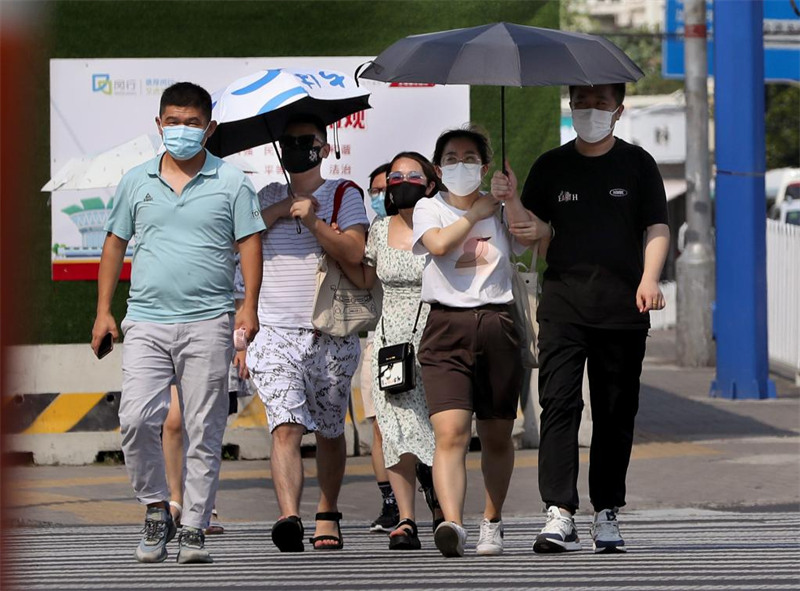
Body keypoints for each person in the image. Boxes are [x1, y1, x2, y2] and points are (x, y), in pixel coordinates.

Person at [91, 82, 265, 564]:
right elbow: (114, 244)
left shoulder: (231, 181)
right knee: (134, 419)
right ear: (158, 124)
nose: (181, 131)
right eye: (173, 121)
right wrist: (105, 311)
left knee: (204, 428)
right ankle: (154, 507)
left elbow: (250, 242)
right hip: (145, 321)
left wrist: (248, 306)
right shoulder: (136, 181)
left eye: (192, 123)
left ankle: (193, 525)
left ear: (209, 129)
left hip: (210, 322)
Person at [498, 82, 669, 554]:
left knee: (615, 413)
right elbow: (526, 231)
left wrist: (649, 279)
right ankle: (559, 511)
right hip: (563, 306)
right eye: (581, 103)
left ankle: (607, 511)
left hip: (624, 309)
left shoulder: (638, 164)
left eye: (600, 103)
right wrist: (510, 199)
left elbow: (656, 225)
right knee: (559, 406)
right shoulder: (552, 166)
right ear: (570, 106)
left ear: (618, 109)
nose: (589, 111)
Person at [246, 113, 369, 552]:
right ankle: (289, 516)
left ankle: (327, 510)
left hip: (329, 332)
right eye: (290, 142)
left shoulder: (344, 194)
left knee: (331, 429)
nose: (298, 148)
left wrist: (314, 223)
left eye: (307, 141)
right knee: (286, 426)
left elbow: (355, 251)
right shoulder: (267, 196)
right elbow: (238, 240)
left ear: (326, 146)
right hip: (274, 333)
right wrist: (281, 210)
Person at [412, 126, 527, 558]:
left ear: (485, 165)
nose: (461, 165)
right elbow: (440, 245)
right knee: (451, 432)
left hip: (498, 323)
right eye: (452, 158)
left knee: (497, 434)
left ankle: (492, 521)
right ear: (438, 169)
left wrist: (509, 198)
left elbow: (529, 236)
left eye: (470, 158)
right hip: (445, 328)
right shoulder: (429, 208)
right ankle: (453, 523)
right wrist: (474, 213)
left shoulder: (498, 209)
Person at [342, 152, 443, 550]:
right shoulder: (380, 230)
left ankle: (441, 508)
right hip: (389, 342)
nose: (400, 181)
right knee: (393, 426)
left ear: (430, 184)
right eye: (395, 175)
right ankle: (405, 518)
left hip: (434, 335)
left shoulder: (439, 225)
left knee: (436, 427)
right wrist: (334, 249)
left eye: (411, 175)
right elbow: (367, 276)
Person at [164, 255, 251, 535]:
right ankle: (175, 499)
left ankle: (203, 505)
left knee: (204, 426)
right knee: (174, 422)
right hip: (170, 334)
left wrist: (241, 347)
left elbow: (240, 298)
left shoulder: (226, 250)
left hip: (212, 338)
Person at [360, 163, 401, 533]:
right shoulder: (371, 232)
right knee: (380, 425)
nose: (381, 195)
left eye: (386, 187)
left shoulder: (425, 225)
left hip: (419, 337)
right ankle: (390, 501)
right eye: (374, 189)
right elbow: (363, 278)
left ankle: (429, 499)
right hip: (378, 342)